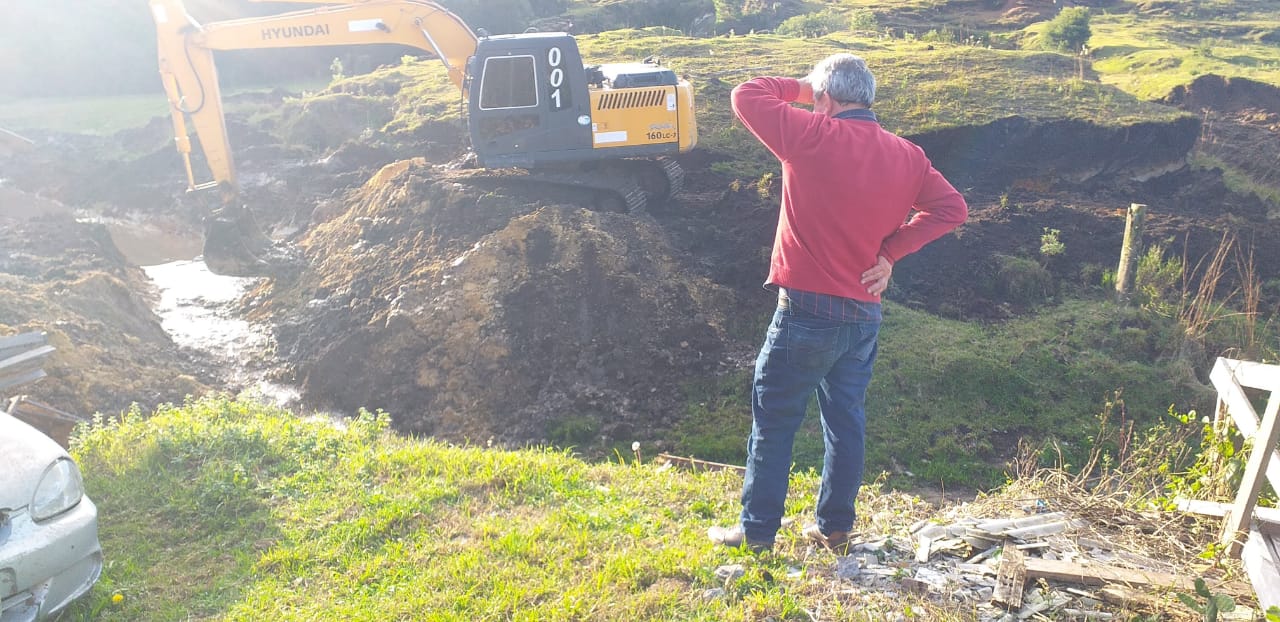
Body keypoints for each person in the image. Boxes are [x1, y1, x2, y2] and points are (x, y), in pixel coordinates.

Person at [708, 54, 968, 553]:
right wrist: (890, 253)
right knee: (846, 421)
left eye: (819, 95)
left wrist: (804, 88)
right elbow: (952, 208)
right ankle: (835, 529)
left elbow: (746, 94)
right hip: (863, 315)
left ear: (826, 98)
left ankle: (758, 533)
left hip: (805, 312)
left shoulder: (810, 134)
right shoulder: (908, 155)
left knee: (775, 421)